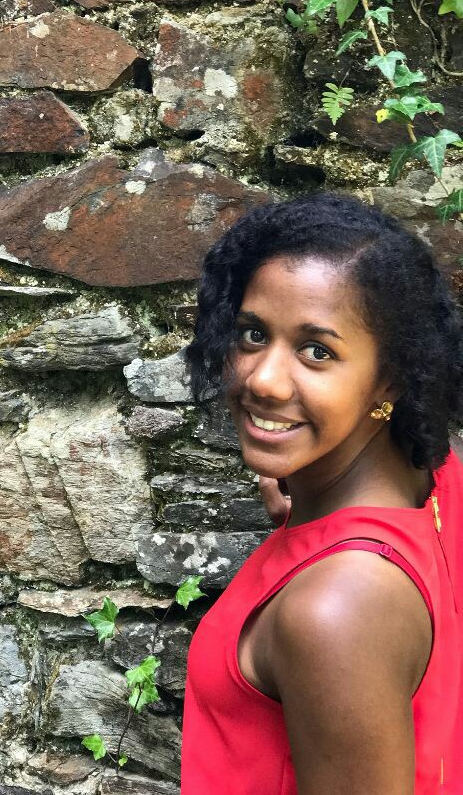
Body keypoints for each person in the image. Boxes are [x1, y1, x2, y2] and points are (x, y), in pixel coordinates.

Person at [180, 192, 463, 795]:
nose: (263, 380)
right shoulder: (437, 478)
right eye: (253, 334)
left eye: (318, 352)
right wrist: (307, 503)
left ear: (390, 378)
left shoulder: (334, 610)